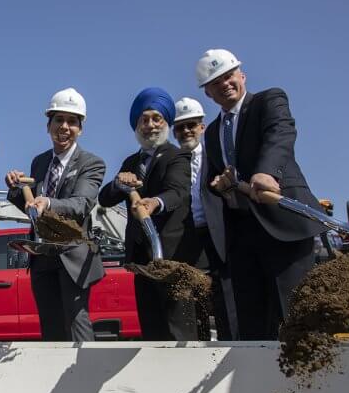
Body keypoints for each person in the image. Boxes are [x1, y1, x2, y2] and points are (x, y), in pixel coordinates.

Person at [196, 49, 326, 340]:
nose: (225, 84)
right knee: (253, 322)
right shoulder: (213, 131)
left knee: (295, 317)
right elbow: (217, 177)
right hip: (244, 235)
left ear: (241, 75)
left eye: (229, 76)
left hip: (283, 226)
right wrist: (221, 185)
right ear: (208, 92)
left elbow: (280, 134)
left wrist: (266, 172)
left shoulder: (268, 101)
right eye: (216, 82)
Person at [5, 88, 105, 342]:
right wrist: (16, 189)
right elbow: (32, 208)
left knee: (76, 323)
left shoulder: (91, 163)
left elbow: (81, 203)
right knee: (50, 329)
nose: (64, 127)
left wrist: (48, 202)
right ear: (48, 125)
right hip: (42, 257)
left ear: (80, 129)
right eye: (59, 120)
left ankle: (85, 378)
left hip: (73, 256)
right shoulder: (39, 163)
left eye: (72, 121)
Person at [98, 87, 193, 341]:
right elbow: (105, 199)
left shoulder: (178, 156)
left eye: (156, 118)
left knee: (178, 329)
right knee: (152, 329)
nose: (150, 125)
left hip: (172, 257)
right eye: (144, 119)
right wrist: (119, 183)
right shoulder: (130, 162)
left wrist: (155, 203)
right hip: (142, 261)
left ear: (166, 122)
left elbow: (178, 192)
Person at [172, 97, 236, 339]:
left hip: (217, 235)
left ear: (202, 126)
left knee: (224, 297)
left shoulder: (217, 156)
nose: (186, 131)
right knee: (192, 302)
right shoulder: (172, 161)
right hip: (188, 239)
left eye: (191, 125)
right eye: (180, 127)